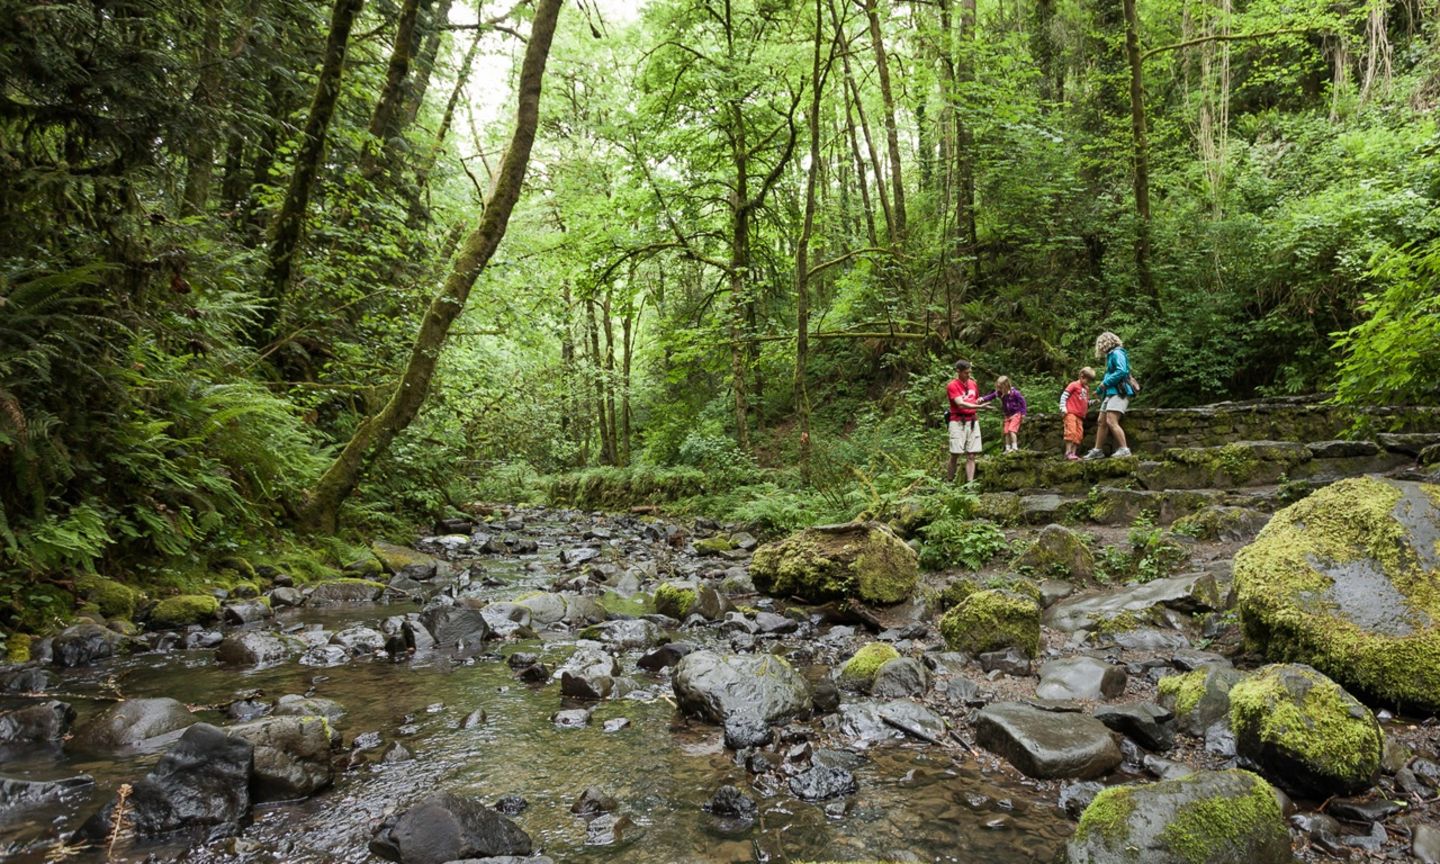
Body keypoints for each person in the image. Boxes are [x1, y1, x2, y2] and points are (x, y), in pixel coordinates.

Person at [1083, 332, 1134, 459]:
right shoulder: (1111, 355)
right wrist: (1100, 391)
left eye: (1099, 344)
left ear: (1105, 342)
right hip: (1111, 393)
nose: (1099, 348)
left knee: (1111, 420)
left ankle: (1124, 449)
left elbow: (1121, 371)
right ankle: (1098, 450)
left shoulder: (1117, 353)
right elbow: (1110, 377)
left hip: (1119, 392)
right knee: (1101, 421)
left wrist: (1103, 385)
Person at [945, 359, 987, 482]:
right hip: (957, 421)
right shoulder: (952, 385)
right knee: (955, 453)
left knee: (972, 454)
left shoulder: (973, 383)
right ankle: (949, 481)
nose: (968, 375)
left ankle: (970, 484)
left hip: (973, 421)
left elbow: (975, 398)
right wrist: (980, 407)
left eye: (969, 372)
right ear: (958, 371)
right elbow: (961, 404)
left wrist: (980, 401)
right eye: (966, 373)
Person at [980, 375, 1027, 453]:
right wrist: (982, 398)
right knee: (1006, 432)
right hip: (1007, 415)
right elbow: (991, 396)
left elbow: (1023, 402)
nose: (999, 390)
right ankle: (1007, 448)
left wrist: (1023, 413)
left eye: (1001, 388)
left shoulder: (1015, 393)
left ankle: (1015, 448)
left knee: (1011, 430)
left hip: (1016, 414)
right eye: (998, 388)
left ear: (1006, 386)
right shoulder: (1000, 393)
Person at [1060, 367, 1097, 460]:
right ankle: (1068, 452)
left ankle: (1073, 453)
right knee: (1071, 431)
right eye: (1087, 380)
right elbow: (1064, 396)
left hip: (1080, 416)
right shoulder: (1073, 385)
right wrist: (1063, 408)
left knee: (1078, 435)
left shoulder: (1086, 389)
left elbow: (1086, 402)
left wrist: (1094, 402)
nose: (1088, 382)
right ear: (1081, 376)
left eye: (1090, 381)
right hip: (1071, 413)